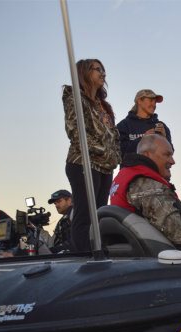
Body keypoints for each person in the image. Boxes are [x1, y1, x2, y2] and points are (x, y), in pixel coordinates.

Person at [109, 134, 181, 249]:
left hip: (140, 252)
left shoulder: (128, 178)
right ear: (147, 155)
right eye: (167, 155)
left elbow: (159, 227)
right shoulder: (147, 185)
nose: (173, 161)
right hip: (159, 255)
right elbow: (180, 235)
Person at [63, 58, 121, 252]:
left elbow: (114, 135)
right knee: (85, 213)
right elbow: (76, 132)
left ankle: (97, 250)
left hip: (105, 166)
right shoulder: (75, 97)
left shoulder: (104, 105)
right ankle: (83, 254)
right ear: (84, 73)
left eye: (103, 69)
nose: (102, 73)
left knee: (99, 213)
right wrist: (105, 151)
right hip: (83, 163)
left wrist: (115, 156)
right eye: (97, 69)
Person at [116, 89, 173, 158]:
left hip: (154, 165)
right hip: (132, 165)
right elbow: (119, 152)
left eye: (155, 102)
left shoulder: (161, 126)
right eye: (151, 100)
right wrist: (143, 140)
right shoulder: (123, 125)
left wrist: (164, 139)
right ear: (139, 101)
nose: (154, 105)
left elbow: (170, 154)